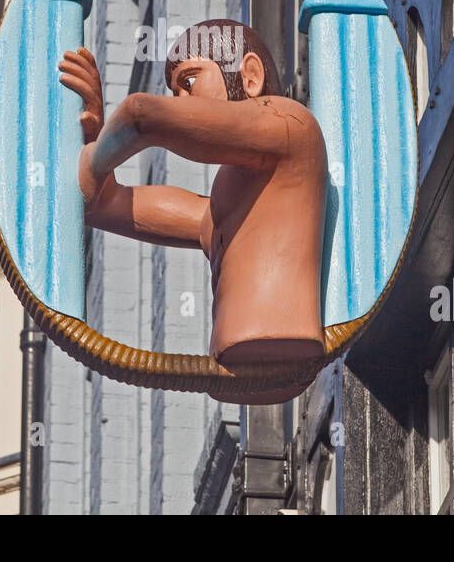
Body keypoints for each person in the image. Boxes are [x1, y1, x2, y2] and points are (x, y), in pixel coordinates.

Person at [57, 20, 328, 399]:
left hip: (284, 338)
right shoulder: (218, 213)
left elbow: (141, 116)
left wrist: (95, 157)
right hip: (237, 360)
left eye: (189, 82)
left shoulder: (291, 124)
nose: (180, 100)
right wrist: (95, 134)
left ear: (249, 76)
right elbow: (104, 205)